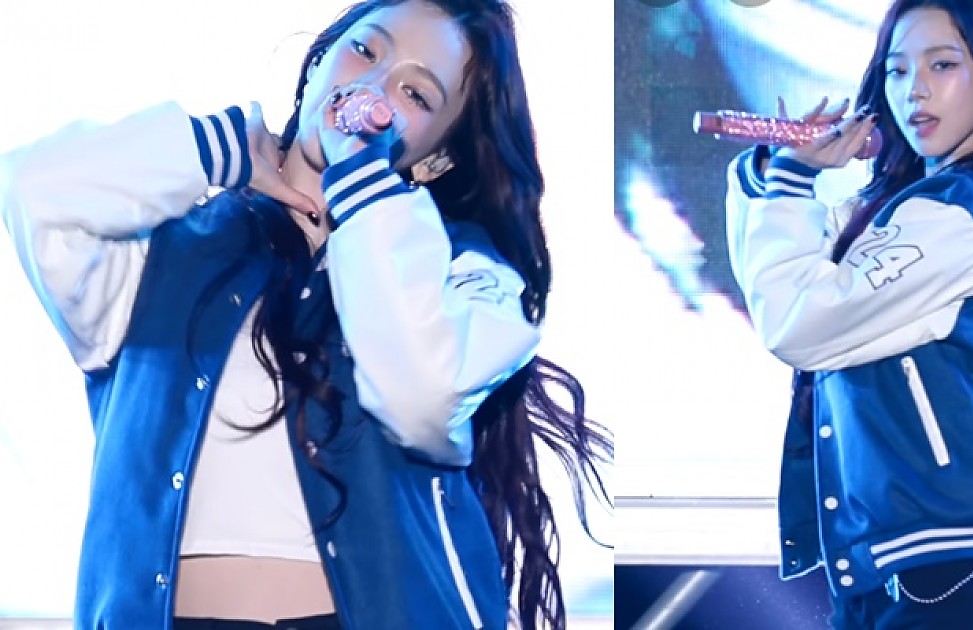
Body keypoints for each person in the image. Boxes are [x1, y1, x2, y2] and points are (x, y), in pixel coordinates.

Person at [0, 0, 611, 628]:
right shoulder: (159, 253)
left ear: (437, 157)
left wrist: (363, 182)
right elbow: (33, 191)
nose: (373, 87)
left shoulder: (466, 280)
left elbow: (419, 393)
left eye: (415, 94)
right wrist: (216, 149)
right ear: (318, 64)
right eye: (365, 51)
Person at [724, 0, 973, 627]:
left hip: (948, 580)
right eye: (897, 70)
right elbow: (784, 278)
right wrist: (770, 173)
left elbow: (796, 322)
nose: (915, 90)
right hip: (910, 577)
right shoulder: (926, 210)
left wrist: (790, 185)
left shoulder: (954, 218)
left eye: (943, 65)